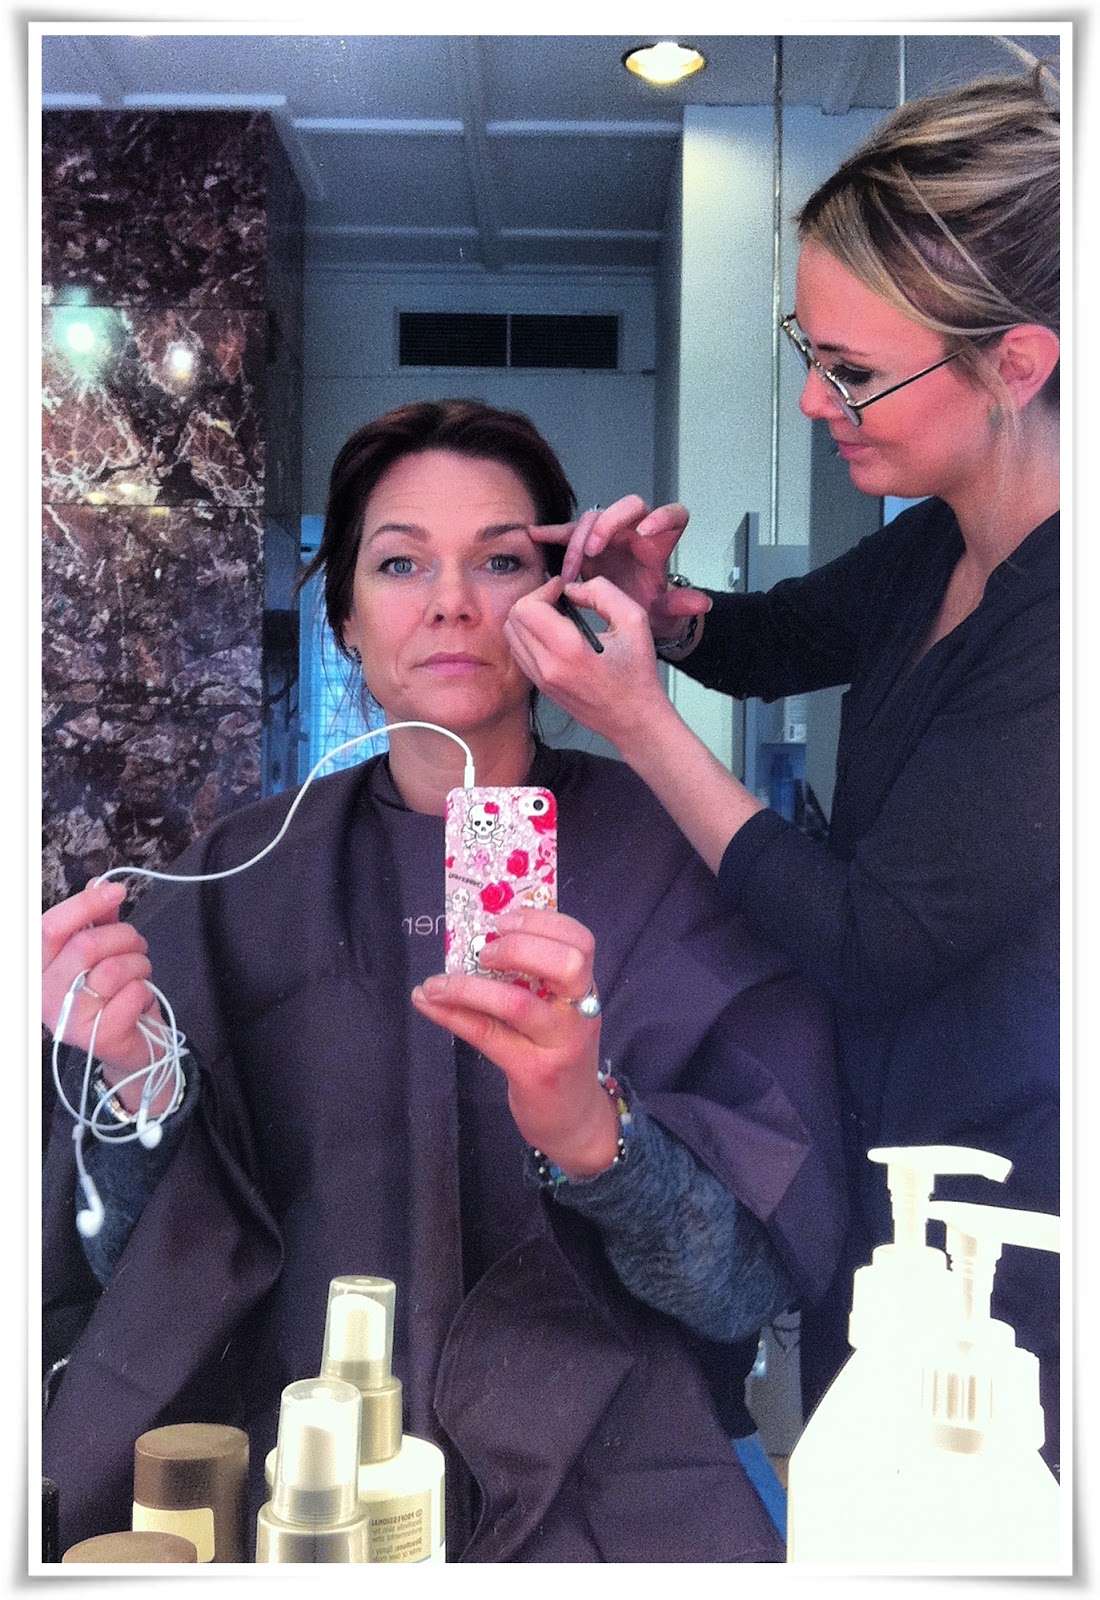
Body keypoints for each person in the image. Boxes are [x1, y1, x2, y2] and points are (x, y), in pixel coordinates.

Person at [42, 399, 847, 1562]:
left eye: (500, 560)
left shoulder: (671, 862)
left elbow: (742, 1294)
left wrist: (595, 1140)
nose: (451, 602)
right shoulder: (236, 878)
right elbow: (129, 1270)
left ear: (558, 602)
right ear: (344, 617)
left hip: (607, 1485)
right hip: (291, 1473)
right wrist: (134, 1085)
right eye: (399, 562)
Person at [504, 72, 1061, 1470]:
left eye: (855, 372)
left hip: (1014, 1213)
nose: (816, 399)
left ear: (1017, 362)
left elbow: (874, 938)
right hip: (885, 1155)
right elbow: (778, 636)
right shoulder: (942, 535)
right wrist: (673, 610)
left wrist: (637, 722)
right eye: (807, 351)